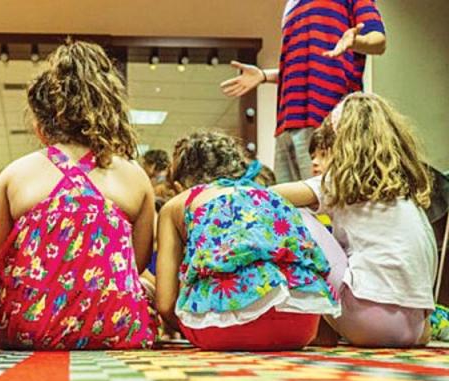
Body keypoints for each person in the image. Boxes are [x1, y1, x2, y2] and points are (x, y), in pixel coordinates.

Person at [0, 41, 157, 350]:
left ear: (40, 126)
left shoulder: (14, 175)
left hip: (29, 329)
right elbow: (136, 261)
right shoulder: (134, 177)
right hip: (115, 327)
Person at [274, 93, 436, 347]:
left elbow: (270, 195)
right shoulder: (406, 195)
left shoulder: (338, 183)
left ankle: (314, 329)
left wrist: (224, 191)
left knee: (294, 216)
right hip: (414, 328)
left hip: (366, 323)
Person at [155, 130, 338, 351]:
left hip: (221, 331)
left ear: (179, 185)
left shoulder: (178, 204)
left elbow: (165, 304)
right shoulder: (270, 195)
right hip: (300, 325)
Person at [221, 0, 387, 183]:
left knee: (327, 196)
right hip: (286, 124)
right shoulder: (291, 6)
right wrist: (264, 75)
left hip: (327, 120)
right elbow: (302, 67)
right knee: (287, 200)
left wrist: (356, 41)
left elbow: (378, 41)